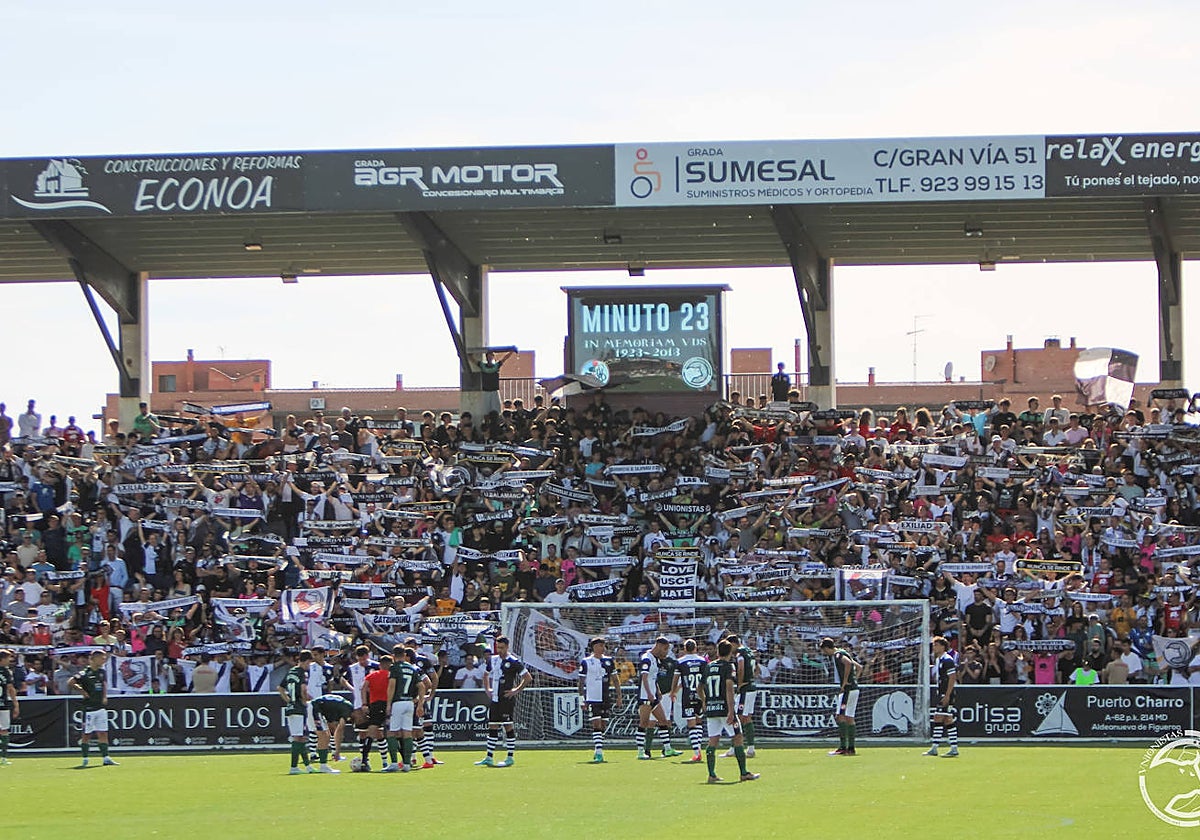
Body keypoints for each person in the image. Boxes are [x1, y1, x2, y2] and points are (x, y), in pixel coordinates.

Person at [698, 639, 758, 783]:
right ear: (730, 653)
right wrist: (731, 711)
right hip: (724, 709)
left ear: (718, 651)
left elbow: (699, 688)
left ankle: (711, 775)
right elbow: (729, 688)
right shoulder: (728, 666)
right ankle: (744, 773)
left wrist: (705, 702)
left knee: (712, 741)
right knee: (737, 738)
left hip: (712, 709)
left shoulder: (709, 666)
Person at [475, 635, 530, 768]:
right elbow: (486, 674)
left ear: (507, 647)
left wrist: (515, 690)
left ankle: (510, 757)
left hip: (506, 699)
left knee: (508, 726)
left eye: (501, 647)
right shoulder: (493, 660)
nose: (499, 650)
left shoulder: (513, 661)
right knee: (492, 726)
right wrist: (487, 688)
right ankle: (489, 757)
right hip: (495, 699)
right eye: (497, 647)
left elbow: (527, 677)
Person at [68, 650, 117, 767]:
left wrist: (105, 696)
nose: (103, 660)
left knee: (103, 733)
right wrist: (82, 691)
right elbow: (70, 682)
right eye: (101, 658)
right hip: (89, 708)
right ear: (94, 659)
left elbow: (104, 684)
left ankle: (106, 757)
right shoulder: (85, 673)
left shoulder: (101, 672)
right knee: (87, 734)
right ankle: (85, 759)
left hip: (101, 708)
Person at [578, 637, 621, 762]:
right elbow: (580, 683)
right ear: (594, 647)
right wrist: (582, 700)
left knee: (603, 725)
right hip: (592, 697)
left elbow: (615, 679)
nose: (603, 648)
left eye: (604, 646)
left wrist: (619, 696)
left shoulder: (609, 661)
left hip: (606, 697)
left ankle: (598, 748)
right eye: (601, 646)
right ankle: (599, 752)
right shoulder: (586, 662)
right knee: (596, 723)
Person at [384, 644, 426, 772]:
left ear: (393, 656)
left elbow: (392, 686)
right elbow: (422, 686)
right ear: (404, 655)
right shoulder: (412, 668)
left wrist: (388, 704)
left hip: (398, 702)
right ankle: (407, 764)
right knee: (407, 733)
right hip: (409, 703)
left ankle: (394, 763)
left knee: (392, 733)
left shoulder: (395, 668)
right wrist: (420, 704)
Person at [821, 637, 860, 756]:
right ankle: (851, 748)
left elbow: (848, 664)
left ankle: (843, 747)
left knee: (840, 717)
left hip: (848, 690)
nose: (824, 653)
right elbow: (859, 667)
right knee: (849, 717)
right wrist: (854, 680)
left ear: (827, 648)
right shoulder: (844, 652)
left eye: (824, 650)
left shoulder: (838, 655)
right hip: (854, 689)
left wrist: (845, 682)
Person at [279, 650, 316, 774]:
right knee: (298, 737)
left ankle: (307, 766)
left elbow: (280, 688)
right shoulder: (302, 673)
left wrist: (289, 701)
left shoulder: (291, 672)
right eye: (309, 663)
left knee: (300, 737)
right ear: (306, 661)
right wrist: (305, 700)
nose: (309, 666)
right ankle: (294, 767)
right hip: (299, 708)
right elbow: (303, 689)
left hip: (291, 707)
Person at [671, 638, 708, 763]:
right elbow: (705, 680)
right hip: (700, 694)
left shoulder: (680, 662)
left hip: (688, 695)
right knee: (699, 721)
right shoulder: (703, 661)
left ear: (685, 649)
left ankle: (697, 752)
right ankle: (699, 749)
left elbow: (676, 678)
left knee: (691, 723)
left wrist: (673, 692)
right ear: (696, 648)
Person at [636, 636, 672, 759]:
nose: (666, 651)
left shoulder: (656, 660)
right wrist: (649, 693)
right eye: (665, 648)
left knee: (663, 721)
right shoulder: (646, 658)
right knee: (644, 722)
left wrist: (657, 691)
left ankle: (667, 749)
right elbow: (644, 678)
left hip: (654, 696)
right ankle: (640, 751)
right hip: (645, 696)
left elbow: (653, 678)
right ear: (659, 646)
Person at [722, 633, 757, 759]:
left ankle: (734, 748)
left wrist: (740, 684)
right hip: (752, 687)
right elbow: (756, 668)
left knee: (736, 717)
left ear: (734, 643)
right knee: (747, 718)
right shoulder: (750, 652)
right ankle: (751, 748)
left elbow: (741, 669)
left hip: (745, 689)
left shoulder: (740, 654)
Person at [358, 653, 394, 773]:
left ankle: (364, 761)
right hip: (389, 704)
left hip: (375, 705)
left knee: (371, 732)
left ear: (380, 664)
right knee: (394, 733)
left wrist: (364, 704)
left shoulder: (371, 675)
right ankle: (400, 761)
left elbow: (363, 688)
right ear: (390, 664)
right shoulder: (391, 675)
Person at [924, 636, 959, 758]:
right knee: (945, 719)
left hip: (946, 693)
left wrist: (947, 695)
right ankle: (947, 747)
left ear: (943, 647)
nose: (934, 647)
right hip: (942, 692)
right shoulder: (939, 660)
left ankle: (939, 747)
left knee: (940, 718)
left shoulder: (947, 660)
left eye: (936, 645)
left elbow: (952, 677)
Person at [310, 693, 354, 773]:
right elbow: (340, 729)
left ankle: (321, 764)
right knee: (324, 737)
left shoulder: (337, 707)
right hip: (315, 709)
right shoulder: (348, 708)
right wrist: (337, 751)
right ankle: (323, 766)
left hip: (315, 707)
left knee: (326, 736)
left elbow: (333, 726)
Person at [0, 649, 18, 765]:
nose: (10, 660)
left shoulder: (7, 671)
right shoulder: (6, 672)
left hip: (3, 704)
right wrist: (16, 704)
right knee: (4, 730)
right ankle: (3, 757)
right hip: (3, 704)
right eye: (8, 658)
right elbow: (11, 689)